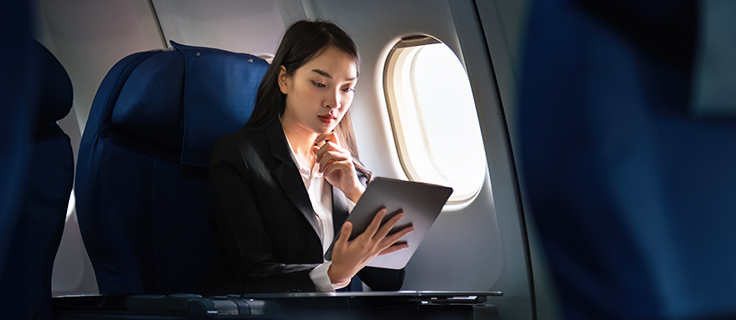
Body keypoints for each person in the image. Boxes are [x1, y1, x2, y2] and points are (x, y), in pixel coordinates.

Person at [204, 20, 413, 294]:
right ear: (284, 80)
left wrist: (356, 193)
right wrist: (332, 274)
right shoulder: (239, 157)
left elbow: (389, 281)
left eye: (347, 88)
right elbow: (252, 276)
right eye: (319, 83)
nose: (334, 102)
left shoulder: (352, 172)